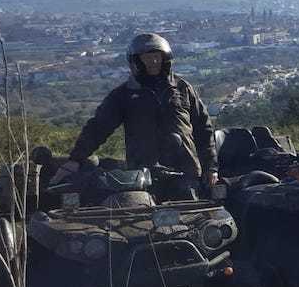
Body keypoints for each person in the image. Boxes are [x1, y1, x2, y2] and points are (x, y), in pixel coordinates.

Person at [51, 33, 218, 197]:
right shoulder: (123, 95)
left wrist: (210, 167)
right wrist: (75, 159)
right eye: (147, 58)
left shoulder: (183, 89)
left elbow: (203, 129)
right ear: (136, 61)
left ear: (165, 58)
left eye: (157, 57)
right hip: (142, 175)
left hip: (186, 171)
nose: (153, 62)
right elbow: (98, 128)